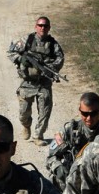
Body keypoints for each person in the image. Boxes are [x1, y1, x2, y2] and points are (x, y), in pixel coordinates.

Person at [8, 16, 64, 146]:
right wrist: (21, 60)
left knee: (45, 111)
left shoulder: (53, 45)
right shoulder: (28, 40)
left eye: (45, 26)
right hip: (28, 83)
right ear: (36, 26)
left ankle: (38, 136)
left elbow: (59, 59)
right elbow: (11, 53)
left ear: (49, 28)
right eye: (40, 25)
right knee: (23, 112)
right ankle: (26, 125)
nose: (42, 28)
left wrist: (49, 68)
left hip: (44, 83)